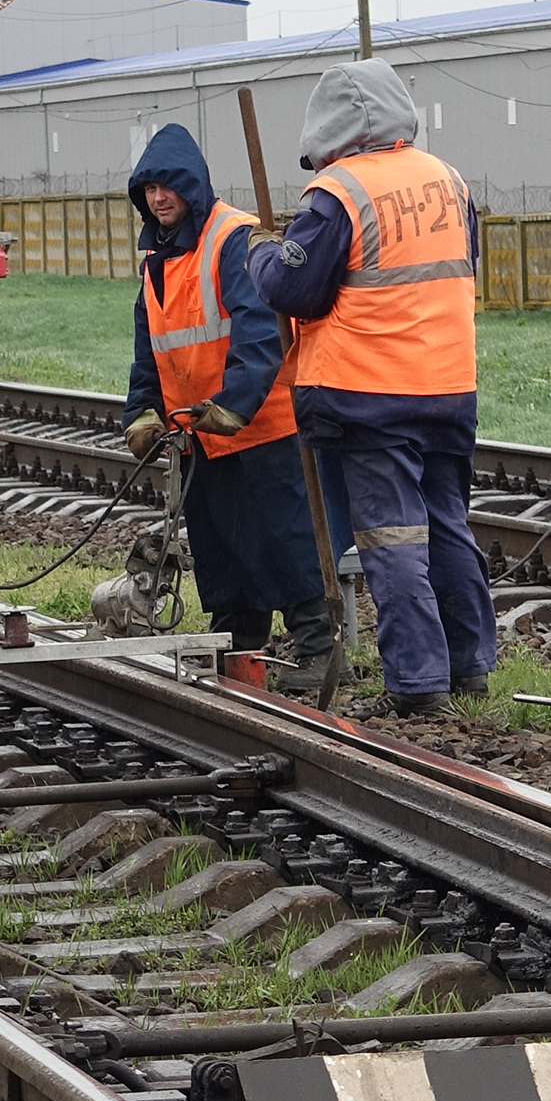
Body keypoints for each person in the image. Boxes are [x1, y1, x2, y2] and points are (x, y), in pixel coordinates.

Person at [248, 58, 495, 717]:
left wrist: (260, 252)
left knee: (394, 539)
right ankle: (469, 667)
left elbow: (292, 286)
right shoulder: (448, 180)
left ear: (331, 126)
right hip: (447, 386)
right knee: (446, 526)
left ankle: (417, 685)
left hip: (370, 393)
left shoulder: (340, 192)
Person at [119, 124, 332, 692]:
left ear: (193, 187)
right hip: (201, 434)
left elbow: (258, 331)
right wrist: (141, 412)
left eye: (169, 187)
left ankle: (316, 648)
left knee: (284, 542)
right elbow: (151, 350)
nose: (159, 198)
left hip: (258, 426)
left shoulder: (232, 238)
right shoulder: (156, 262)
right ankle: (240, 653)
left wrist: (233, 405)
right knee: (223, 548)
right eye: (149, 190)